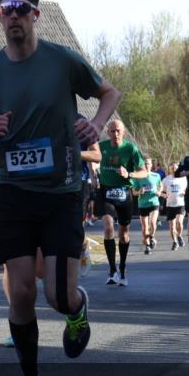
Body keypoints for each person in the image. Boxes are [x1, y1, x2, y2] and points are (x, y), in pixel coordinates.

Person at [0, 0, 121, 376]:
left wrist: (96, 123)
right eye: (6, 9)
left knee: (56, 295)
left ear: (35, 14)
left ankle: (77, 307)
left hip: (62, 192)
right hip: (12, 193)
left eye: (22, 8)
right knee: (19, 293)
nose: (14, 16)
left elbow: (110, 92)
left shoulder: (62, 60)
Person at [96, 120, 147, 287]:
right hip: (105, 192)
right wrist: (92, 173)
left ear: (123, 132)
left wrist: (129, 174)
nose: (115, 134)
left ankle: (123, 267)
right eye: (112, 131)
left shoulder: (131, 149)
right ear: (107, 132)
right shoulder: (101, 146)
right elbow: (91, 158)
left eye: (118, 131)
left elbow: (144, 172)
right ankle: (112, 270)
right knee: (108, 227)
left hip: (124, 192)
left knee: (124, 234)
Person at [78, 115, 102, 276]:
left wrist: (75, 153)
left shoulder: (80, 121)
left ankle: (82, 246)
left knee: (75, 225)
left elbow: (97, 155)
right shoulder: (42, 116)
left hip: (78, 181)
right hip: (51, 182)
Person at [133, 158, 162, 255]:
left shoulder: (156, 175)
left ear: (151, 165)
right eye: (145, 164)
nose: (147, 166)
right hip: (143, 204)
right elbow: (134, 192)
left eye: (148, 164)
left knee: (153, 222)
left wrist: (159, 191)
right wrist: (139, 191)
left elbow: (160, 185)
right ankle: (147, 246)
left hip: (154, 202)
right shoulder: (138, 177)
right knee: (145, 227)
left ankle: (152, 237)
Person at [161, 162, 187, 250]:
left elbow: (187, 188)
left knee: (179, 222)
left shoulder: (183, 178)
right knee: (172, 226)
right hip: (170, 205)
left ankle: (179, 236)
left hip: (180, 204)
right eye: (172, 168)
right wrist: (163, 195)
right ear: (169, 169)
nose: (174, 170)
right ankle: (175, 242)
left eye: (175, 168)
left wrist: (185, 192)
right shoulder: (166, 180)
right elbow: (159, 190)